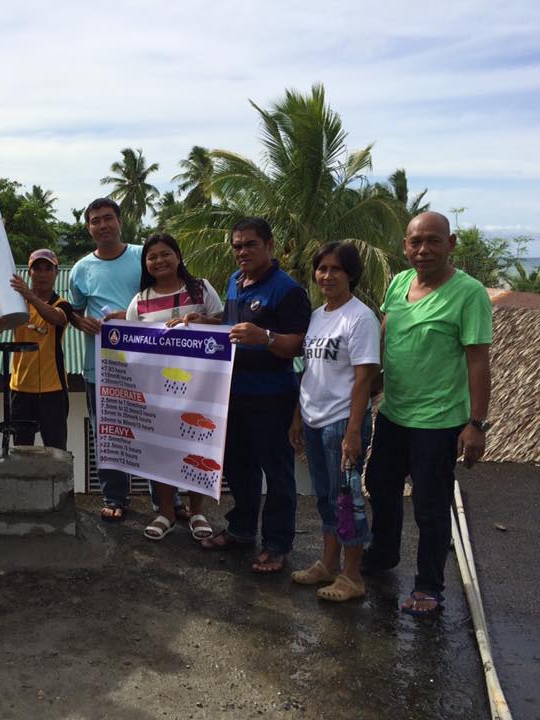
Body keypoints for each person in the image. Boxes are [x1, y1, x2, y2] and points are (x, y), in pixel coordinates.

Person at [363, 211, 492, 617]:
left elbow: (478, 361)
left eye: (433, 241)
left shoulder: (468, 293)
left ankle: (429, 585)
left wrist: (476, 424)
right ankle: (383, 554)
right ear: (405, 246)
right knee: (379, 484)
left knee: (431, 506)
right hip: (394, 412)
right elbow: (387, 336)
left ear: (450, 244)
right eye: (415, 242)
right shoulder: (400, 282)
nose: (423, 249)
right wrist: (373, 384)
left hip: (438, 422)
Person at [183, 217, 311, 574]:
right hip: (232, 393)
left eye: (250, 244)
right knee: (239, 468)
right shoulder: (235, 281)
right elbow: (232, 326)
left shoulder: (288, 290)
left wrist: (266, 337)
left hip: (272, 396)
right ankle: (240, 529)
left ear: (269, 246)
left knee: (277, 472)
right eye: (237, 245)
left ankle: (277, 544)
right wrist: (209, 323)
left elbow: (300, 346)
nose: (242, 251)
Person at [288, 242, 380, 602]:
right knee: (326, 497)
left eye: (335, 269)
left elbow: (364, 379)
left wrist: (354, 432)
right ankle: (328, 563)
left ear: (351, 274)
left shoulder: (360, 318)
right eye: (321, 268)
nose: (327, 275)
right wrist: (298, 417)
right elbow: (310, 371)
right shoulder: (316, 315)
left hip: (343, 422)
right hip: (313, 418)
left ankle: (352, 575)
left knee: (347, 499)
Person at [123, 234, 224, 541]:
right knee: (162, 449)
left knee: (198, 449)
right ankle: (166, 511)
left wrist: (202, 320)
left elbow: (222, 323)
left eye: (165, 254)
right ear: (146, 264)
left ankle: (197, 511)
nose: (159, 261)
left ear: (179, 256)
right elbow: (130, 341)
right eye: (152, 257)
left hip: (202, 388)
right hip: (159, 391)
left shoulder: (201, 288)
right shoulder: (140, 299)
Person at [67, 198, 142, 521]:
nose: (102, 225)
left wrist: (131, 315)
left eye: (108, 218)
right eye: (95, 220)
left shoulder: (143, 256)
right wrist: (79, 321)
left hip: (146, 362)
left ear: (120, 222)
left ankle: (166, 502)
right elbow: (74, 309)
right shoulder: (81, 268)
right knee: (108, 432)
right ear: (88, 227)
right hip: (100, 365)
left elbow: (163, 297)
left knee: (153, 430)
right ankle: (115, 497)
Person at [7, 248, 74, 449]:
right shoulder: (17, 304)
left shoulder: (62, 304)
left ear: (56, 273)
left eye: (48, 269)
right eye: (37, 269)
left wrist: (30, 296)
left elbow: (57, 318)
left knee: (56, 450)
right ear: (30, 272)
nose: (43, 274)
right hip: (20, 387)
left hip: (52, 390)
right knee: (20, 450)